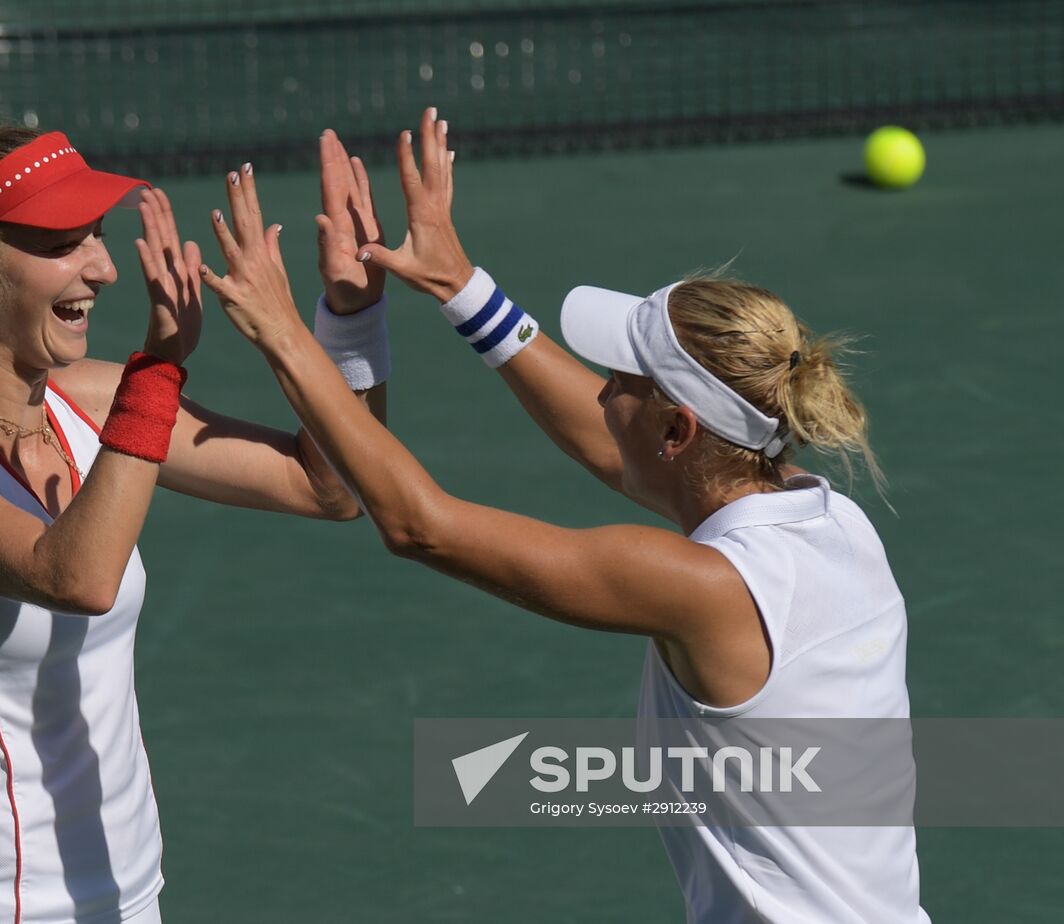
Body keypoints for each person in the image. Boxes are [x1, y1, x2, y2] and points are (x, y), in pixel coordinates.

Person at [196, 108, 930, 922]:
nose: (602, 385)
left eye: (621, 375)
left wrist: (288, 336)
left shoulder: (703, 588)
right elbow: (609, 436)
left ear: (679, 431)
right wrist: (456, 283)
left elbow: (420, 524)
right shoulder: (820, 516)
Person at [0, 125, 389, 923]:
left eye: (97, 236)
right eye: (64, 243)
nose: (103, 268)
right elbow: (75, 576)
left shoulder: (93, 403)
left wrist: (347, 315)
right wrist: (160, 372)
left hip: (129, 897)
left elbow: (331, 487)